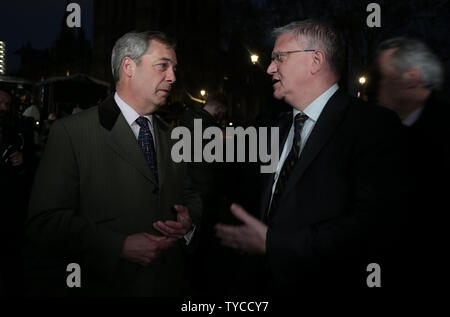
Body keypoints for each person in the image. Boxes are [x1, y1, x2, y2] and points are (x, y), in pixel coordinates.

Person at [215, 20, 407, 293]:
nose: (270, 68)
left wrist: (274, 244)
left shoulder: (372, 126)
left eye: (279, 57)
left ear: (315, 60)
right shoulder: (275, 128)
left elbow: (372, 227)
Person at [26, 31, 202, 296]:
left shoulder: (172, 136)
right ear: (129, 67)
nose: (173, 77)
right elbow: (45, 222)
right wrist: (118, 246)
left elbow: (190, 193)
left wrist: (189, 221)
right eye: (163, 66)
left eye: (174, 68)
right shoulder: (72, 133)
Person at [372, 37, 450, 288]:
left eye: (384, 77)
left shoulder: (439, 137)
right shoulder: (395, 130)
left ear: (412, 78)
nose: (378, 86)